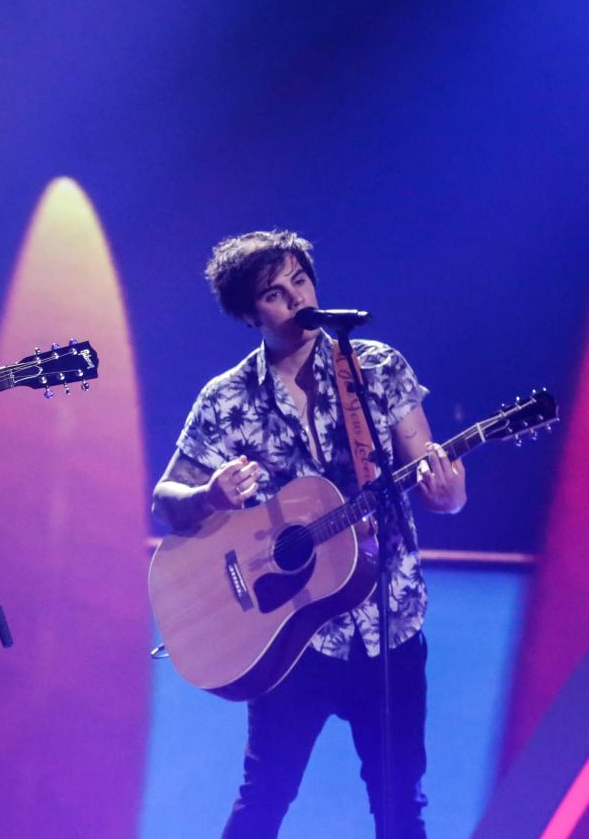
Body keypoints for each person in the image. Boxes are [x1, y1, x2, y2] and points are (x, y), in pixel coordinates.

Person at [152, 230, 467, 839]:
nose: (296, 299)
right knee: (263, 802)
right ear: (250, 314)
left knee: (401, 806)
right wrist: (209, 496)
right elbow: (165, 501)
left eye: (301, 282)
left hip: (389, 624)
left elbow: (432, 472)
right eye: (274, 293)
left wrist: (449, 495)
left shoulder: (376, 368)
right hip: (290, 635)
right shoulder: (226, 399)